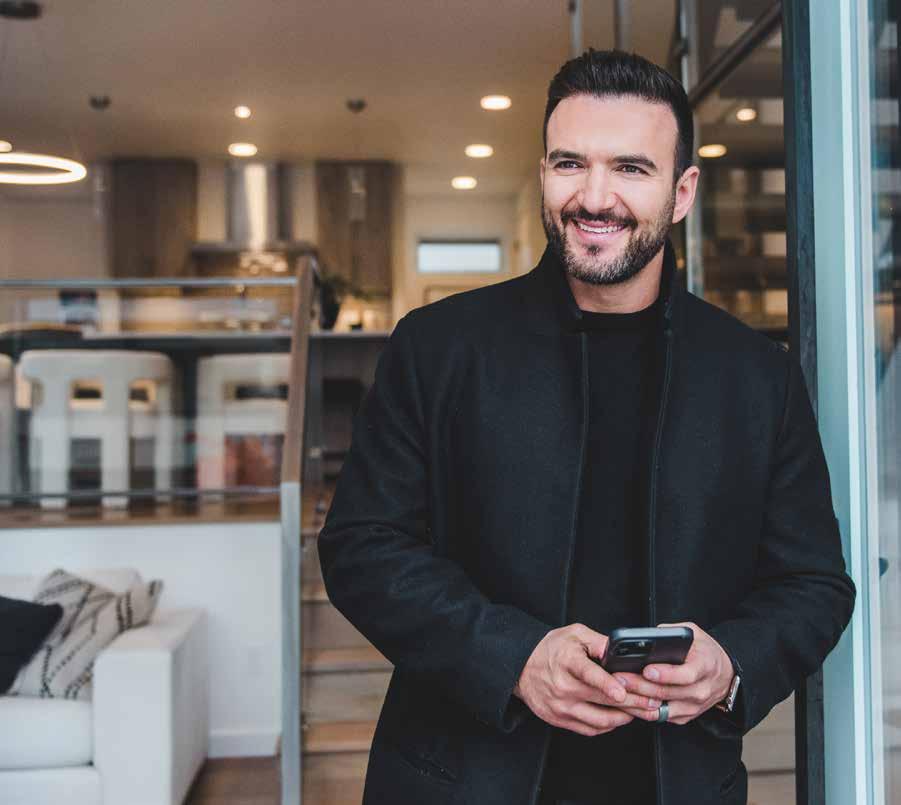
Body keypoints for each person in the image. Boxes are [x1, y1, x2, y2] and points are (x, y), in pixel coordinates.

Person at [318, 49, 855, 805]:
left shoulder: (757, 375)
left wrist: (731, 664)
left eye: (631, 168)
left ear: (681, 192)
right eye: (570, 164)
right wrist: (513, 657)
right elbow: (362, 546)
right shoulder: (437, 347)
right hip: (460, 780)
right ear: (544, 172)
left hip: (679, 783)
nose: (594, 197)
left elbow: (812, 583)